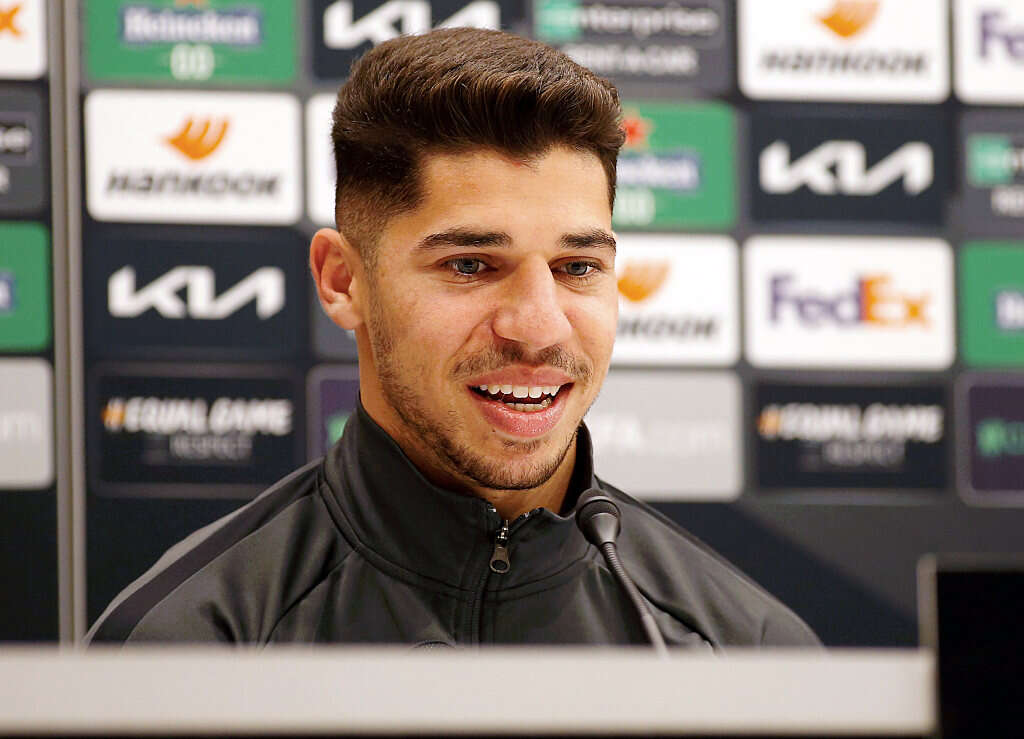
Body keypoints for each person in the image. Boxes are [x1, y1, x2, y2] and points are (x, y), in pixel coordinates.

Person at [87, 28, 819, 647]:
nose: (538, 326)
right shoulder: (189, 643)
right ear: (343, 280)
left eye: (577, 267)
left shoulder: (746, 651)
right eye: (470, 265)